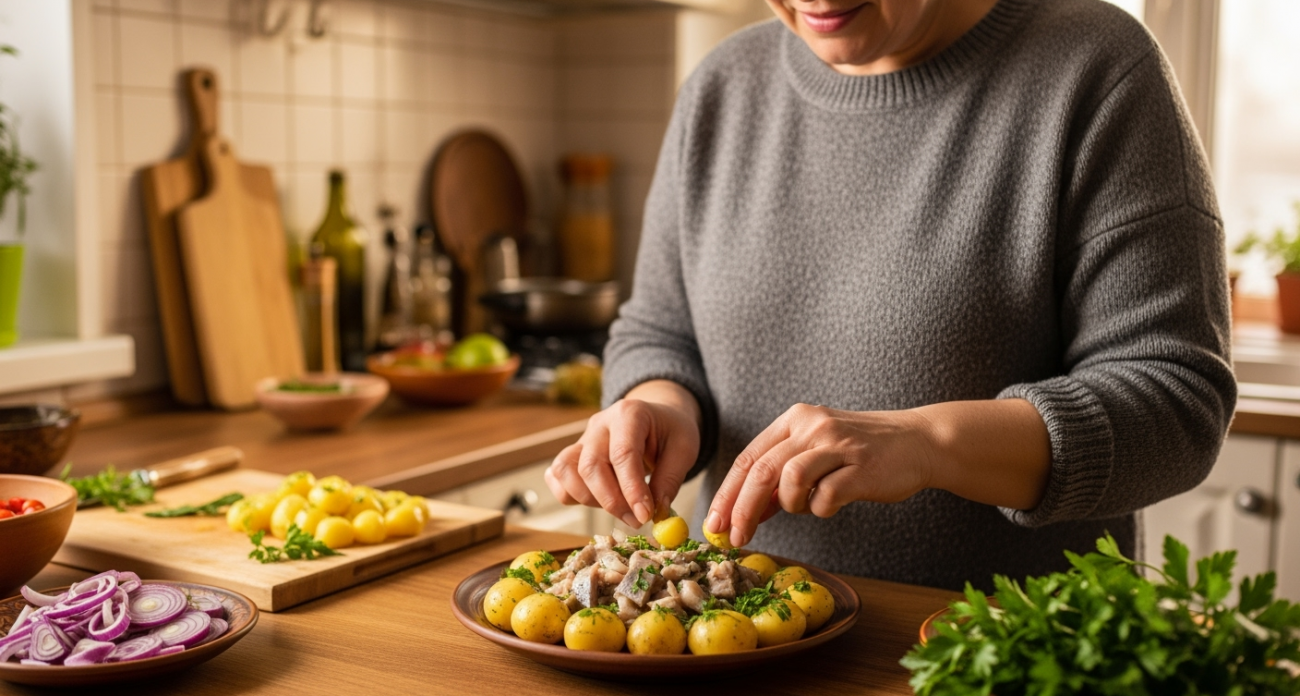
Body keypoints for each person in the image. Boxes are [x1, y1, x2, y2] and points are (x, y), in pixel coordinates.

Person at [544, 0, 1236, 592]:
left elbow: (1176, 406)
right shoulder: (720, 88)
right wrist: (660, 406)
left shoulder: (1094, 66)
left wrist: (928, 442)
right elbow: (660, 332)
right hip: (733, 640)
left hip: (991, 655)